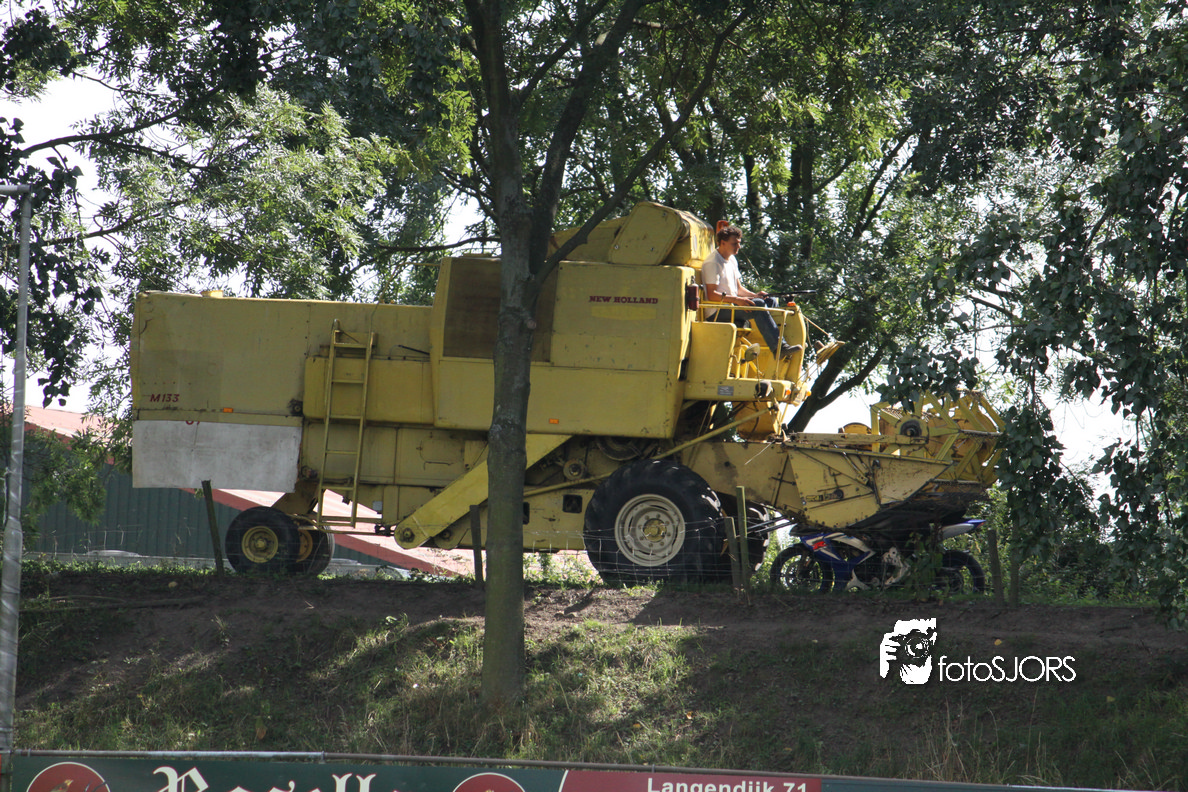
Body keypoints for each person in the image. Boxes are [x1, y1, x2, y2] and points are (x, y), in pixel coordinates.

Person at [701, 223, 802, 357]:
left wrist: (755, 295)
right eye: (734, 244)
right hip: (717, 311)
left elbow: (738, 289)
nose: (738, 247)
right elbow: (712, 295)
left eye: (739, 243)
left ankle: (772, 343)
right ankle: (779, 348)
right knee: (758, 305)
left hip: (732, 305)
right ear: (722, 243)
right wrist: (737, 300)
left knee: (770, 300)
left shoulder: (732, 260)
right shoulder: (713, 262)